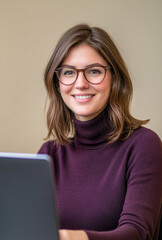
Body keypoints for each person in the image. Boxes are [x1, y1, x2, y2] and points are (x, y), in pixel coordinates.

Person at [38, 24, 162, 240]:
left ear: (114, 79)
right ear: (57, 83)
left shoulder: (143, 144)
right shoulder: (49, 154)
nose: (81, 83)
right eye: (68, 72)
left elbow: (138, 233)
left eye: (94, 71)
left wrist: (67, 237)